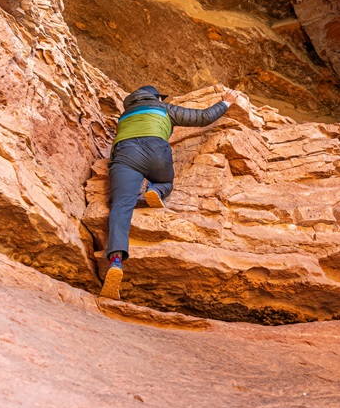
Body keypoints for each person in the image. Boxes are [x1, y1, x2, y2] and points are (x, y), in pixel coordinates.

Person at [100, 84, 239, 299]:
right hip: (157, 152)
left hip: (125, 154)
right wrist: (226, 102)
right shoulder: (163, 108)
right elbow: (203, 117)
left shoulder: (125, 116)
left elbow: (115, 149)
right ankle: (156, 189)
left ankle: (116, 261)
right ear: (156, 97)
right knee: (166, 181)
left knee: (120, 205)